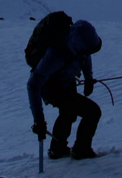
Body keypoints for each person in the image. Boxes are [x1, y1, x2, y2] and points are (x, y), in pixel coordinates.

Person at [28, 17, 103, 160]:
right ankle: (81, 150)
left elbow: (85, 57)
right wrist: (39, 120)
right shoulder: (55, 55)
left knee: (68, 113)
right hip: (52, 89)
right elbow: (33, 85)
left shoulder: (79, 47)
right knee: (92, 112)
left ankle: (58, 148)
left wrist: (88, 79)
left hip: (66, 83)